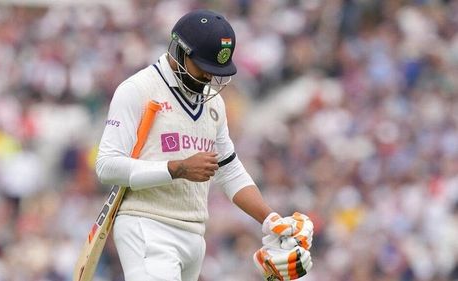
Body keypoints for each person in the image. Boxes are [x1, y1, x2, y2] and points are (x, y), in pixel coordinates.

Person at [96, 9, 313, 281]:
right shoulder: (137, 89)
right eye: (205, 68)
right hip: (147, 224)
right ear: (180, 51)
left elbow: (229, 169)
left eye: (216, 70)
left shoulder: (214, 103)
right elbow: (106, 166)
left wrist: (270, 219)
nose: (209, 78)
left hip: (194, 234)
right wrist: (178, 168)